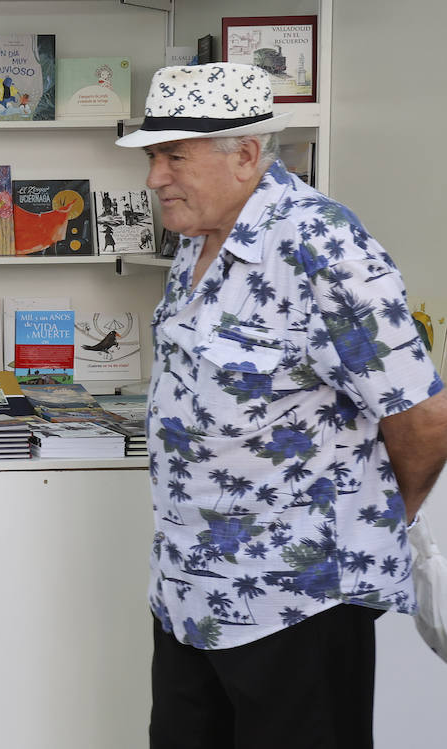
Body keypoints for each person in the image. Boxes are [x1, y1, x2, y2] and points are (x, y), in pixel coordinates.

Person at [117, 63, 447, 747]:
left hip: (296, 602)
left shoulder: (320, 244)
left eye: (173, 156)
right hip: (190, 595)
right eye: (153, 156)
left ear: (244, 154)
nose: (155, 178)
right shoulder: (196, 241)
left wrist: (386, 516)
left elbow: (424, 416)